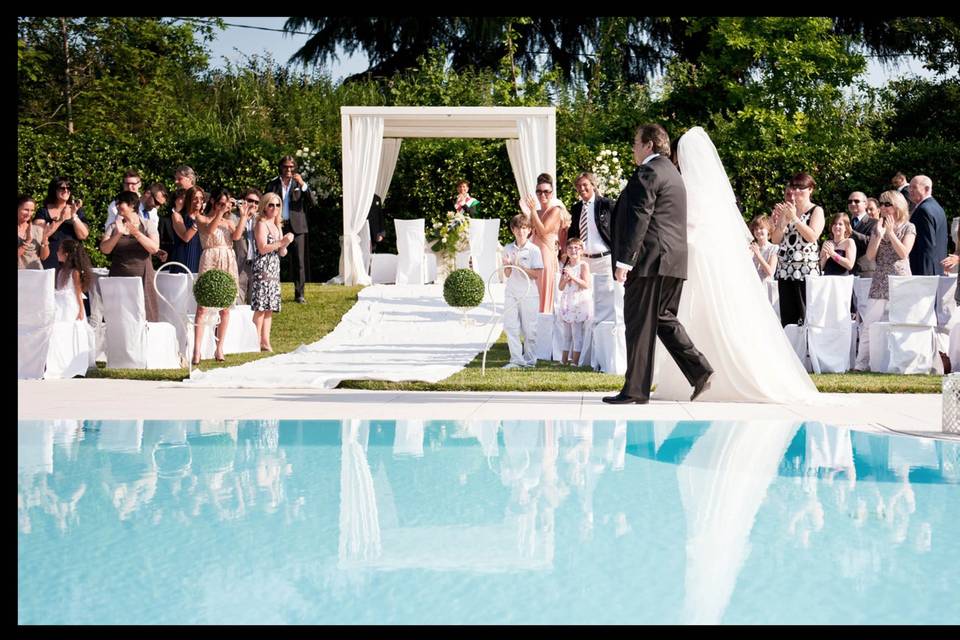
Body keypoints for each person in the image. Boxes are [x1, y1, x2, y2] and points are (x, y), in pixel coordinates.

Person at [647, 126, 820, 403]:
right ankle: (701, 373)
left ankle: (706, 373)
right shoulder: (711, 190)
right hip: (705, 257)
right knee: (701, 316)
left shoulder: (692, 188)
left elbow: (691, 224)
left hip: (699, 259)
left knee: (703, 314)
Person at [603, 123, 713, 405]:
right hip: (674, 260)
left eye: (636, 143)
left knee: (639, 323)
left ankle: (635, 390)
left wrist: (625, 261)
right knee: (662, 318)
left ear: (649, 145)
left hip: (650, 261)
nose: (633, 149)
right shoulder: (674, 174)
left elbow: (641, 217)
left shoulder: (649, 172)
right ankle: (699, 370)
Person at [854, 190, 916, 371]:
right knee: (869, 323)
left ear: (897, 206)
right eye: (881, 204)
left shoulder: (908, 227)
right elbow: (870, 256)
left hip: (901, 279)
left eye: (887, 204)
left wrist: (891, 233)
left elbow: (904, 253)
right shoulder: (877, 227)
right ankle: (860, 364)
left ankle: (901, 364)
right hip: (880, 279)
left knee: (901, 323)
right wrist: (880, 234)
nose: (883, 207)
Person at [191, 188, 241, 366]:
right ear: (213, 202)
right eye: (220, 203)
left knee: (225, 307)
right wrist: (220, 211)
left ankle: (219, 347)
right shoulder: (201, 218)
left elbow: (236, 236)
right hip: (210, 258)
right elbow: (210, 230)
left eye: (226, 204)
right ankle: (196, 350)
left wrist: (243, 216)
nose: (224, 207)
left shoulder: (228, 222)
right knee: (202, 307)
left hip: (227, 258)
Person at [771, 172, 825, 327]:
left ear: (811, 189)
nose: (796, 191)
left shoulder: (816, 210)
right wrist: (782, 222)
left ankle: (807, 349)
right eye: (794, 187)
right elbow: (775, 239)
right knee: (788, 318)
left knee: (806, 314)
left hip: (805, 270)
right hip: (785, 270)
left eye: (801, 188)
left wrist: (795, 219)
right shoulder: (788, 210)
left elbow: (812, 236)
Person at [100, 190, 161, 322]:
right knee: (118, 316)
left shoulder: (148, 224)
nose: (117, 206)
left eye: (120, 203)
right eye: (116, 203)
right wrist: (117, 234)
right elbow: (105, 249)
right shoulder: (113, 226)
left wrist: (137, 234)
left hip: (143, 277)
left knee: (145, 315)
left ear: (132, 205)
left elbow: (154, 248)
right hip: (118, 276)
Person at [265, 155, 315, 304]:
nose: (289, 169)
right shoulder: (272, 184)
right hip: (277, 225)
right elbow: (265, 203)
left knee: (299, 261)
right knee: (274, 260)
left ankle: (299, 294)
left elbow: (312, 202)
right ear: (281, 167)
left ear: (295, 168)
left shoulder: (299, 184)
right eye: (286, 166)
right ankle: (273, 292)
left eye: (291, 167)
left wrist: (303, 184)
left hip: (298, 228)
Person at [250, 193, 295, 352]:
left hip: (274, 269)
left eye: (277, 205)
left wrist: (285, 244)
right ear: (264, 206)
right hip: (262, 268)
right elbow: (262, 248)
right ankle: (253, 341)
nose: (274, 208)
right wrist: (281, 242)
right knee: (260, 308)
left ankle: (265, 341)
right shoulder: (261, 224)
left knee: (269, 308)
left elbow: (281, 252)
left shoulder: (277, 225)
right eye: (271, 205)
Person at [501, 213, 543, 369]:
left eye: (524, 228)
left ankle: (530, 360)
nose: (521, 231)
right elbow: (507, 274)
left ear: (529, 230)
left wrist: (520, 267)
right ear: (513, 230)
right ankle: (516, 360)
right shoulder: (507, 248)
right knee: (510, 326)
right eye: (518, 228)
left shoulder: (534, 250)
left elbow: (537, 275)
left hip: (529, 293)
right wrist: (507, 265)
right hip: (511, 292)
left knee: (529, 329)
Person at [523, 177, 565, 313]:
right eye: (539, 192)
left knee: (545, 292)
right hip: (534, 253)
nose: (543, 195)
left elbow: (544, 230)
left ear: (552, 193)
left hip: (546, 255)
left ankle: (546, 322)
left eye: (546, 191)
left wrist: (532, 211)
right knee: (534, 292)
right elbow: (530, 232)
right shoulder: (537, 212)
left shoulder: (555, 210)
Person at [35, 177, 90, 270]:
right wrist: (61, 219)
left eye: (68, 188)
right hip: (50, 258)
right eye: (62, 188)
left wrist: (74, 217)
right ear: (54, 190)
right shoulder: (43, 211)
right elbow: (39, 235)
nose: (66, 191)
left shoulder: (76, 210)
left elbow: (83, 235)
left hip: (73, 259)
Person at [568, 172, 615, 277]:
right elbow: (573, 232)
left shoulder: (606, 204)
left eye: (585, 184)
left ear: (593, 185)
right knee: (585, 293)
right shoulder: (576, 208)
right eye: (579, 186)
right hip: (583, 261)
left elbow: (620, 227)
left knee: (606, 293)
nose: (582, 188)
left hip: (604, 261)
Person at [557, 237, 593, 366]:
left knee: (576, 333)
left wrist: (573, 277)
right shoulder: (566, 266)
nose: (573, 250)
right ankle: (564, 360)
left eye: (576, 248)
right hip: (567, 301)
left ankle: (576, 362)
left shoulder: (583, 265)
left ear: (581, 250)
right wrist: (566, 279)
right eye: (570, 248)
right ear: (566, 250)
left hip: (578, 301)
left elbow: (586, 284)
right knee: (566, 334)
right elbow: (560, 287)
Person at [907, 175, 948, 276]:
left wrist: (925, 275)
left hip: (924, 271)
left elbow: (927, 246)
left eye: (914, 187)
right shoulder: (937, 207)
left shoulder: (923, 210)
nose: (910, 190)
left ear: (927, 189)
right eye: (909, 187)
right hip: (936, 268)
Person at [233, 188, 262, 304]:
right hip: (239, 265)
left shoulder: (260, 220)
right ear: (243, 201)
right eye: (250, 200)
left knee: (254, 305)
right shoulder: (234, 217)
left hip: (256, 265)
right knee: (237, 303)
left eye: (256, 202)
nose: (253, 204)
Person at [54, 239, 93, 322]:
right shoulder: (61, 270)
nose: (57, 252)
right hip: (59, 302)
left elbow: (78, 292)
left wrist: (81, 309)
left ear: (66, 254)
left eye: (59, 250)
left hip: (70, 304)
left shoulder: (74, 272)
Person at [170, 186, 204, 274]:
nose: (198, 201)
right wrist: (197, 222)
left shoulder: (204, 217)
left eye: (201, 198)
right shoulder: (177, 216)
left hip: (200, 257)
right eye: (195, 198)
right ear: (188, 199)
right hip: (183, 257)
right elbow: (186, 237)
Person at [18, 195, 49, 270]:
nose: (29, 214)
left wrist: (45, 240)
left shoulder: (37, 229)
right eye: (26, 210)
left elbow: (43, 257)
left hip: (36, 274)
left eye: (32, 210)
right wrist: (28, 241)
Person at [851, 197, 881, 276]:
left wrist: (851, 232)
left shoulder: (881, 225)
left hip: (871, 270)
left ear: (878, 210)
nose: (868, 212)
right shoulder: (856, 223)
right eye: (866, 210)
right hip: (855, 268)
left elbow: (870, 242)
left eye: (871, 209)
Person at [749, 215, 778, 281]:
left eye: (761, 228)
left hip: (765, 286)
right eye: (756, 229)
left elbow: (770, 273)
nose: (758, 231)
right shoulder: (750, 247)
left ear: (768, 230)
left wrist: (758, 254)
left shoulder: (773, 249)